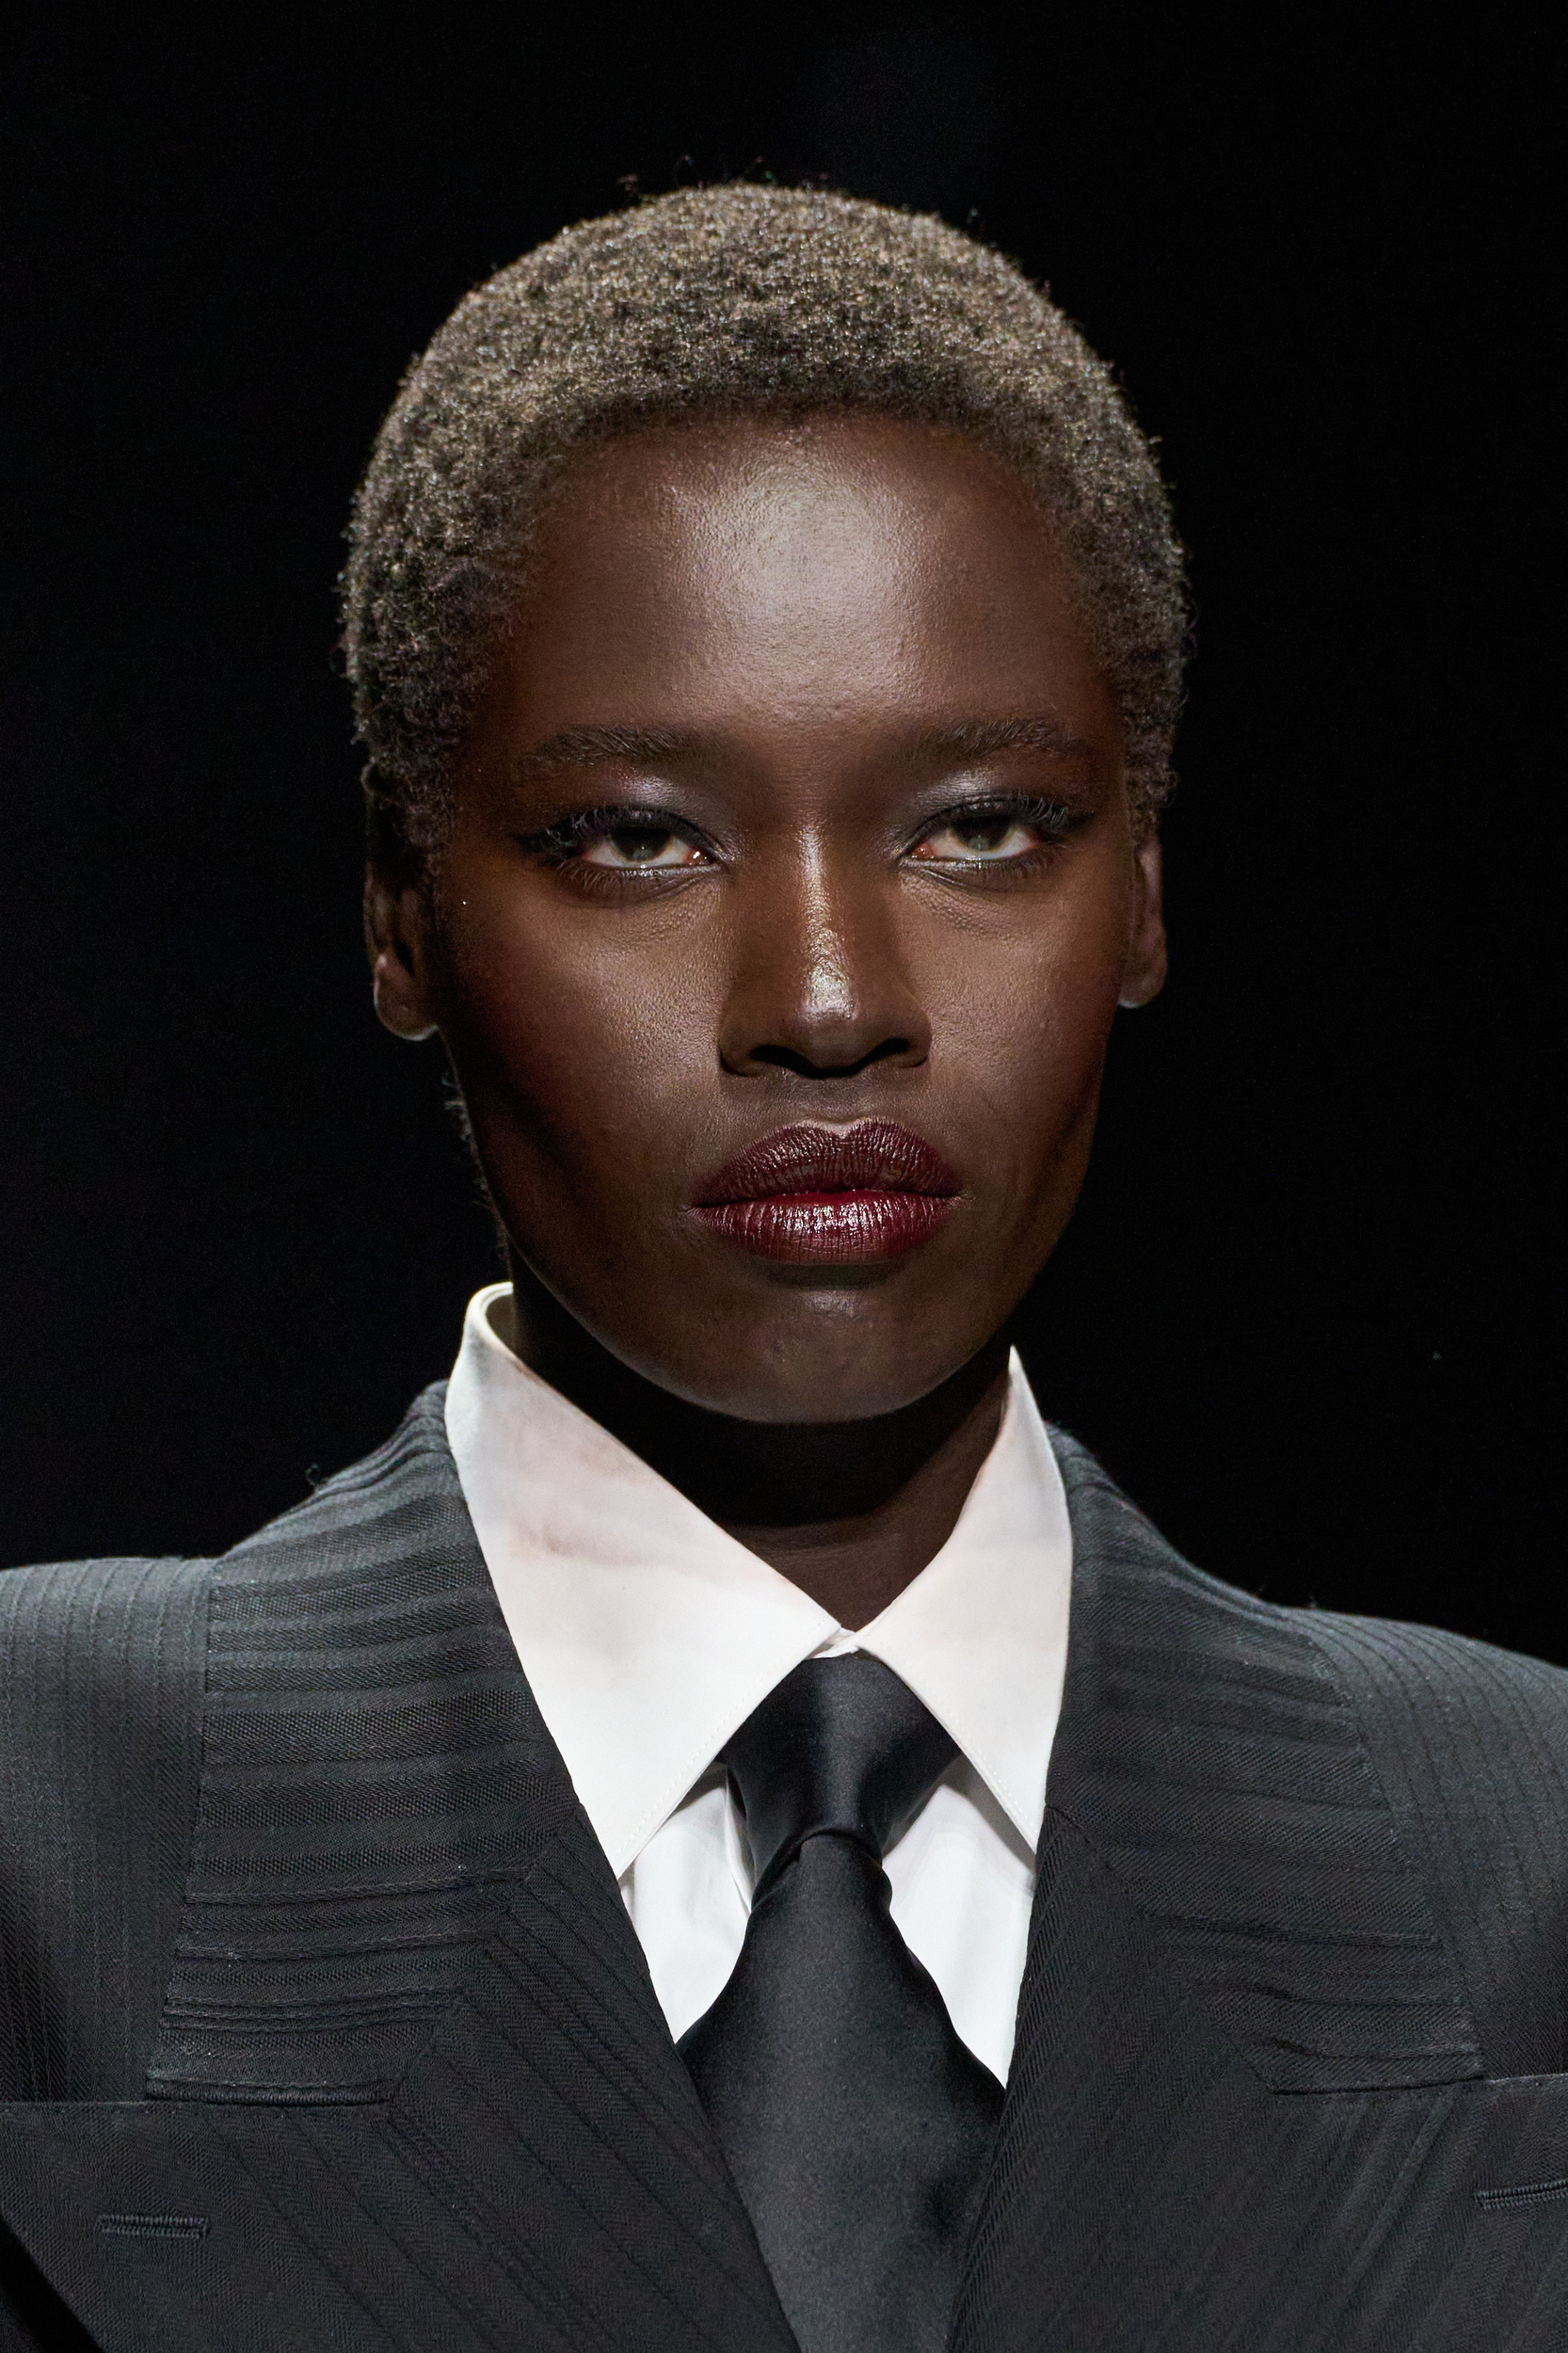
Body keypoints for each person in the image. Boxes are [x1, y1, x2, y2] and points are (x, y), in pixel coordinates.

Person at [0, 184, 1561, 2353]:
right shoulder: (40, 1843)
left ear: (1140, 892)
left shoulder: (1525, 1871)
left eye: (978, 825)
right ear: (398, 913)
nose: (826, 999)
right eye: (639, 837)